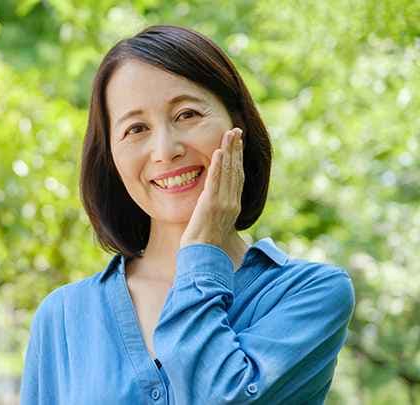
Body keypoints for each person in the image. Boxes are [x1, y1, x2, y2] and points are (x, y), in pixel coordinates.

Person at [19, 25, 355, 404]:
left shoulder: (309, 293)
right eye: (136, 128)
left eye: (187, 114)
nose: (165, 149)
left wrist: (198, 251)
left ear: (237, 125)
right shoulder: (63, 318)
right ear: (111, 159)